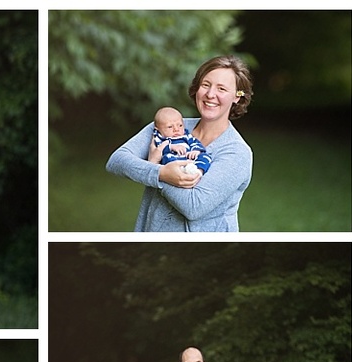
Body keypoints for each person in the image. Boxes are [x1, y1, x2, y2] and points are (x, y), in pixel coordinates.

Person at [106, 55, 254, 232]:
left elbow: (194, 206)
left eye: (221, 88)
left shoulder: (237, 152)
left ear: (237, 97)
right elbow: (116, 161)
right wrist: (159, 172)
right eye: (205, 85)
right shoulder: (169, 124)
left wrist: (158, 170)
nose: (210, 94)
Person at [152, 106, 212, 176]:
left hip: (190, 159)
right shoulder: (161, 138)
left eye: (180, 125)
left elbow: (195, 142)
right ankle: (180, 171)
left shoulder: (186, 136)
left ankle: (198, 172)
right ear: (158, 129)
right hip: (174, 160)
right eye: (170, 127)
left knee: (205, 156)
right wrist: (171, 147)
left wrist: (196, 151)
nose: (176, 129)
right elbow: (159, 150)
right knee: (167, 157)